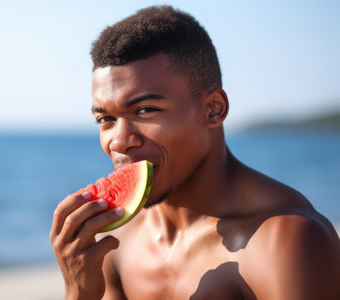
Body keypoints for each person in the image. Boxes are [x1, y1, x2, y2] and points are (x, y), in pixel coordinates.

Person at [50, 5, 340, 299]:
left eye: (145, 110)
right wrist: (78, 292)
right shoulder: (113, 241)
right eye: (105, 119)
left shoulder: (286, 241)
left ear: (213, 110)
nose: (119, 141)